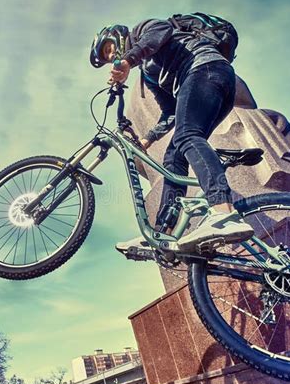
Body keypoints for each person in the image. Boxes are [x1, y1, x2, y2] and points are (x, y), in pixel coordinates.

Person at [89, 16, 254, 252]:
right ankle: (164, 234)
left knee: (187, 136)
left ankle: (223, 213)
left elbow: (161, 32)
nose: (111, 57)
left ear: (117, 36)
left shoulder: (144, 30)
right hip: (206, 82)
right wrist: (147, 139)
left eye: (109, 49)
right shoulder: (149, 74)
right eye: (107, 59)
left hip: (206, 69)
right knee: (173, 157)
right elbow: (170, 112)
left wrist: (127, 60)